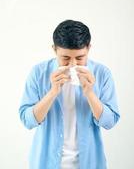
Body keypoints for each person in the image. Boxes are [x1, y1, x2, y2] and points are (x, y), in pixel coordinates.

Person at [19, 19, 120, 169]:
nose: (73, 64)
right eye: (65, 58)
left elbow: (110, 122)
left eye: (80, 58)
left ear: (89, 49)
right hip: (45, 162)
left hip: (90, 163)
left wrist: (90, 93)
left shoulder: (102, 74)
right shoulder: (38, 73)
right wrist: (52, 93)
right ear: (54, 50)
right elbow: (27, 121)